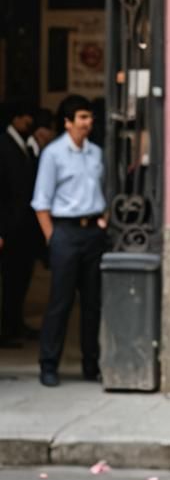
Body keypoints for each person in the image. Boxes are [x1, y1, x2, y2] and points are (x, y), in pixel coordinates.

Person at [30, 95, 108, 386]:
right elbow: (41, 201)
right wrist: (52, 237)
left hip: (92, 232)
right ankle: (49, 364)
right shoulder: (53, 154)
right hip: (65, 231)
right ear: (68, 122)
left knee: (92, 303)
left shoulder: (96, 153)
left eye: (90, 117)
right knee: (60, 302)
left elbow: (105, 190)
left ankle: (91, 364)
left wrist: (104, 219)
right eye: (82, 118)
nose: (88, 123)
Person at [0, 101, 40, 347]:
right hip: (9, 227)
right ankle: (6, 330)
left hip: (23, 228)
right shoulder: (4, 145)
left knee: (20, 279)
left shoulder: (24, 144)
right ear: (15, 118)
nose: (29, 121)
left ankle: (15, 324)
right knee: (10, 280)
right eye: (25, 116)